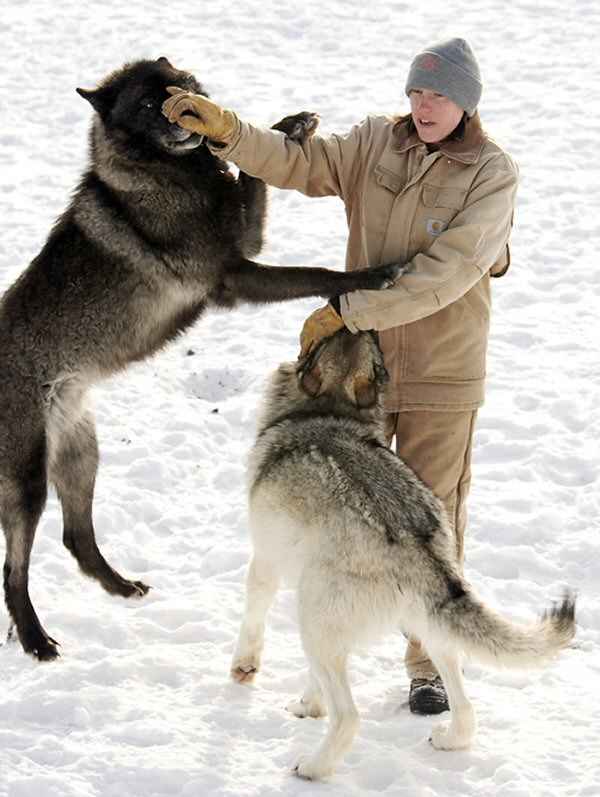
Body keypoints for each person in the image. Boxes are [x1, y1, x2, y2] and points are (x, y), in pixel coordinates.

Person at [163, 38, 519, 715]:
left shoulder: (494, 175)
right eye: (416, 93)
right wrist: (232, 134)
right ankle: (334, 641)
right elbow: (301, 161)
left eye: (438, 95)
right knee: (341, 510)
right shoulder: (374, 145)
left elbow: (445, 274)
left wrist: (346, 310)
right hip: (360, 372)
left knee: (430, 519)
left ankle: (427, 664)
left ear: (468, 101)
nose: (423, 106)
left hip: (443, 372)